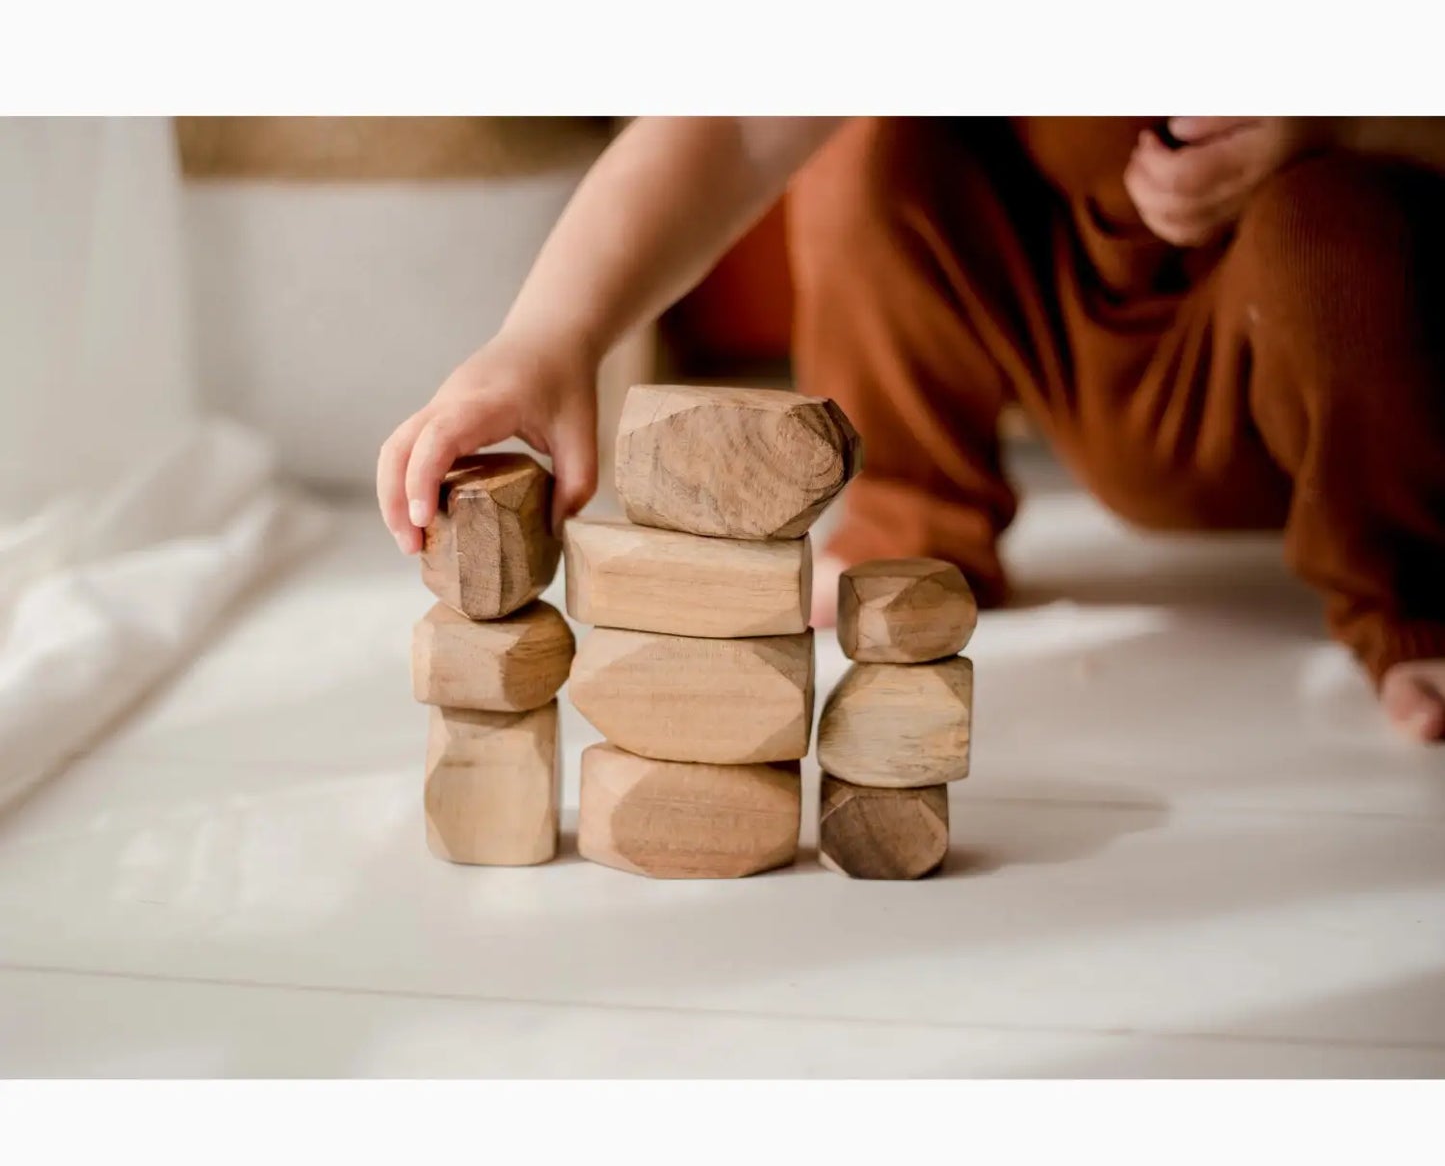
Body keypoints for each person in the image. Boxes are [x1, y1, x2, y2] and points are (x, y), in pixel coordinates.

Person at [376, 117, 1445, 742]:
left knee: (1334, 236)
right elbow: (735, 124)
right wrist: (546, 335)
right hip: (1077, 318)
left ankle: (1408, 590)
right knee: (868, 145)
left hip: (1337, 362)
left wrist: (1338, 119)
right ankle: (911, 517)